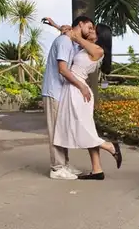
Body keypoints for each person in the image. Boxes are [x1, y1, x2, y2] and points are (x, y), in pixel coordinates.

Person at [51, 23, 122, 181]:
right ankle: (97, 170)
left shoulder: (98, 50)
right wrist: (56, 26)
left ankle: (109, 146)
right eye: (89, 28)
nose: (89, 31)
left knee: (82, 128)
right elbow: (71, 35)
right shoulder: (89, 46)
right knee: (87, 129)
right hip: (75, 88)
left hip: (79, 89)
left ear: (99, 35)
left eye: (92, 30)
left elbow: (74, 35)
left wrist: (67, 29)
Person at [41, 15, 96, 180]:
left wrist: (55, 25)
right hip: (53, 91)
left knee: (61, 129)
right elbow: (63, 69)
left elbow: (69, 32)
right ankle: (57, 168)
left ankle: (64, 164)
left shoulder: (69, 41)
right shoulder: (65, 42)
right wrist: (82, 86)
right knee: (55, 130)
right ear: (81, 24)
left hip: (60, 92)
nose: (91, 31)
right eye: (90, 27)